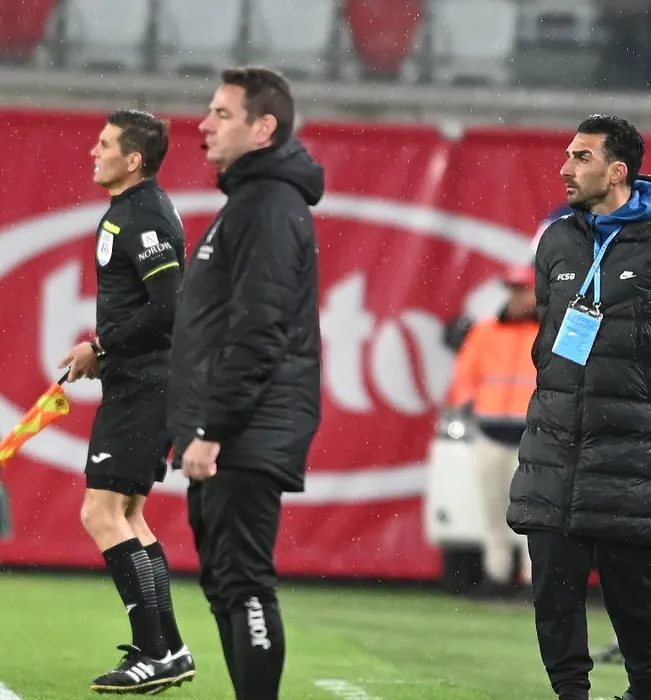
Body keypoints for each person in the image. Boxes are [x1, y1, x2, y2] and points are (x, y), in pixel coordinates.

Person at [507, 114, 651, 700]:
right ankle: (570, 694)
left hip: (633, 444)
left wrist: (647, 396)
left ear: (617, 171)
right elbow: (549, 333)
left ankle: (645, 691)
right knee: (553, 585)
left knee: (633, 590)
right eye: (567, 155)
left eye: (581, 157)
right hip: (556, 441)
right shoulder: (557, 241)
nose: (565, 168)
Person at [169, 66, 324, 700]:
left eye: (222, 114)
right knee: (225, 583)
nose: (204, 124)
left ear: (264, 129)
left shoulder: (268, 207)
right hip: (232, 425)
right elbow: (212, 327)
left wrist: (214, 428)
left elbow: (260, 329)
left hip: (245, 428)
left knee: (244, 581)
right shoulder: (250, 203)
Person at [57, 109, 192, 693]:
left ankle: (153, 652)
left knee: (100, 513)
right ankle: (171, 649)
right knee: (129, 515)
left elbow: (169, 307)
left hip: (145, 384)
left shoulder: (143, 216)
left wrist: (101, 347)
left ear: (133, 159)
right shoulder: (136, 209)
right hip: (145, 381)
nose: (94, 151)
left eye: (105, 144)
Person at [445, 264, 540, 599]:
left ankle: (532, 579)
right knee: (493, 509)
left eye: (523, 290)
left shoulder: (549, 332)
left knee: (532, 512)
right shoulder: (485, 330)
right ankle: (496, 575)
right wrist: (467, 404)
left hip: (532, 438)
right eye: (513, 290)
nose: (516, 296)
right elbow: (464, 374)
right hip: (489, 433)